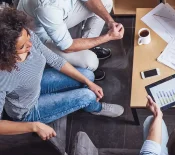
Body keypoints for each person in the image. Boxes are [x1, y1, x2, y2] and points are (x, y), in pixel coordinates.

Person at [0, 8, 124, 141]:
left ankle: (86, 98)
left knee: (88, 75)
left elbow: (55, 60)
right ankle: (95, 107)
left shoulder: (24, 35)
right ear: (5, 52)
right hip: (28, 110)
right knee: (87, 95)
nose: (30, 44)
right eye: (22, 47)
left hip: (38, 84)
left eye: (28, 38)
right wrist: (34, 126)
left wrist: (88, 83)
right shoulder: (3, 76)